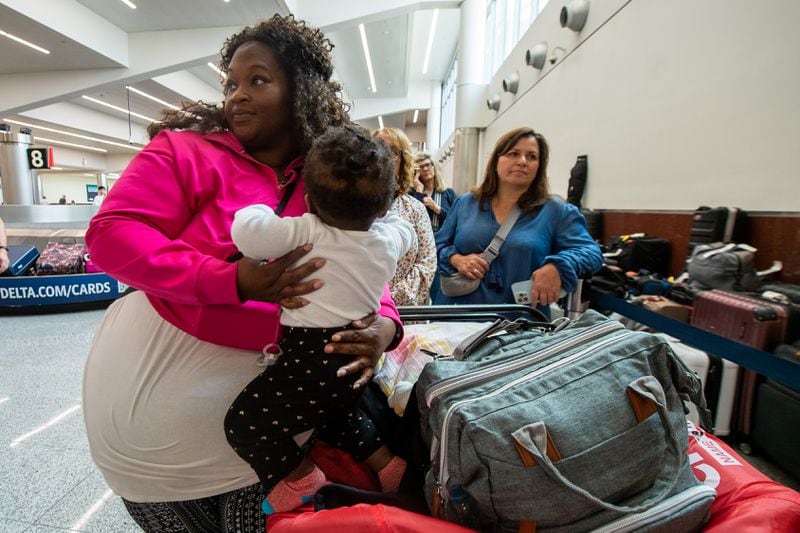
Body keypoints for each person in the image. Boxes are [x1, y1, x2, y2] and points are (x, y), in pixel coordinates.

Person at [83, 15, 403, 532]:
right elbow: (112, 234)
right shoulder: (184, 151)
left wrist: (385, 327)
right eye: (231, 82)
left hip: (266, 453)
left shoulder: (332, 175)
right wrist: (229, 280)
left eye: (258, 79)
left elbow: (371, 263)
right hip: (143, 462)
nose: (238, 95)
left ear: (302, 88)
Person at [225, 125, 413, 514]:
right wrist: (386, 219)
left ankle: (303, 478)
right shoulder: (386, 241)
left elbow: (248, 234)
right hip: (356, 360)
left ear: (309, 200)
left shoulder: (306, 230)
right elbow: (405, 230)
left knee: (243, 424)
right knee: (338, 417)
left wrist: (261, 206)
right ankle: (391, 467)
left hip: (308, 360)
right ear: (381, 207)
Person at [434, 127, 603, 313]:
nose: (522, 162)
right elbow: (437, 244)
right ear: (496, 160)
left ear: (539, 166)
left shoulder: (555, 210)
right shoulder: (466, 203)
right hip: (457, 318)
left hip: (520, 325)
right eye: (513, 153)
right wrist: (456, 259)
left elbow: (591, 252)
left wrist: (558, 266)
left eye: (531, 157)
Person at [371, 127, 436, 306]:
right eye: (377, 147)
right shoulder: (352, 206)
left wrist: (388, 301)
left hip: (404, 312)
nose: (383, 155)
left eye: (393, 151)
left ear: (403, 162)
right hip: (359, 309)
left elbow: (427, 263)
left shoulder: (415, 209)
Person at [410, 152, 457, 233]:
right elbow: (411, 218)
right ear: (416, 173)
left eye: (428, 165)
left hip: (442, 241)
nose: (425, 169)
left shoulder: (448, 193)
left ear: (434, 168)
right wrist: (418, 191)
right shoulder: (411, 194)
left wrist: (436, 208)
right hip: (419, 240)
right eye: (421, 167)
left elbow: (456, 220)